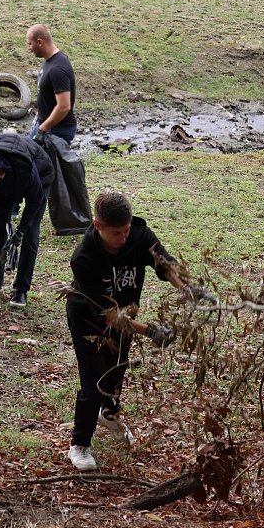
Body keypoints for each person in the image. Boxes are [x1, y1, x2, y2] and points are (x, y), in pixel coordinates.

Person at [63, 191, 194, 472]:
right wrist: (151, 331)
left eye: (125, 231)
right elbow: (110, 317)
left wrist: (187, 290)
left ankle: (110, 415)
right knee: (94, 384)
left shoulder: (139, 234)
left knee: (116, 372)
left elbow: (165, 265)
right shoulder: (83, 258)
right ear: (98, 226)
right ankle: (79, 444)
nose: (123, 238)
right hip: (88, 322)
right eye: (115, 233)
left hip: (126, 318)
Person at [0, 133, 55, 307]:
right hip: (7, 182)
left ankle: (21, 290)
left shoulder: (24, 167)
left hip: (40, 175)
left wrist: (20, 231)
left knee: (30, 234)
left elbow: (35, 201)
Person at [26, 24, 76, 143]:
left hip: (56, 130)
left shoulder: (58, 69)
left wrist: (42, 129)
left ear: (40, 42)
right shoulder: (49, 60)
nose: (29, 48)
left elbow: (64, 106)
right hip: (45, 125)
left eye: (30, 44)